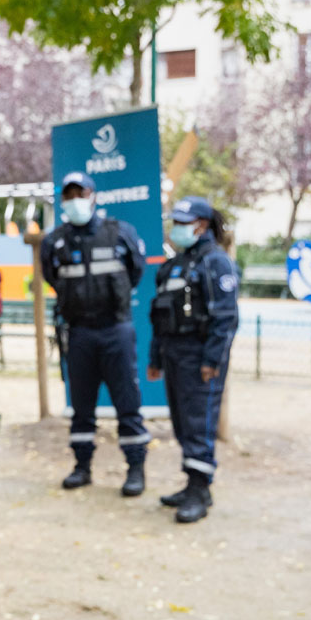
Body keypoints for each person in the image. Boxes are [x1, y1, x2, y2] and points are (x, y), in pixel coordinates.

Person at [40, 172, 150, 497]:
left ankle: (135, 469)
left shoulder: (119, 233)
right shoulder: (55, 241)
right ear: (63, 200)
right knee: (82, 405)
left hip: (116, 329)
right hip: (79, 333)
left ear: (93, 195)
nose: (75, 200)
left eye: (81, 193)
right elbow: (52, 277)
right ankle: (82, 467)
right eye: (69, 194)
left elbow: (136, 270)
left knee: (127, 402)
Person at [147, 196, 240, 523]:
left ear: (202, 225)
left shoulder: (215, 262)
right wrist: (155, 356)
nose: (177, 228)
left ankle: (200, 490)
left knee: (199, 421)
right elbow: (159, 315)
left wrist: (212, 361)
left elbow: (225, 318)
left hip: (200, 356)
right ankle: (192, 484)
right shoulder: (175, 265)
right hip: (173, 354)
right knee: (182, 421)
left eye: (184, 222)